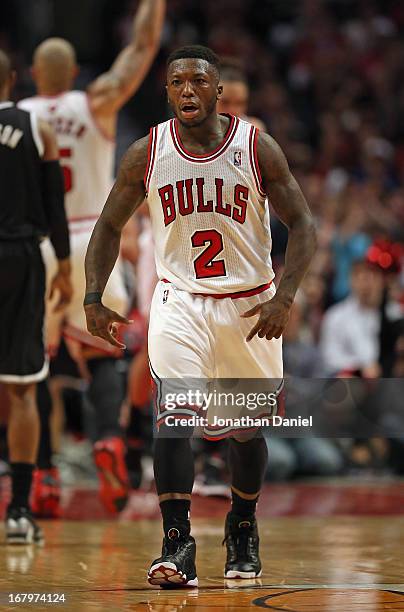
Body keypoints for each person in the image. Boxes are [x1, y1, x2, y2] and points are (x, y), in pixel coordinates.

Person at [84, 45, 316, 586]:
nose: (187, 90)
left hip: (249, 304)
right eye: (177, 82)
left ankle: (241, 525)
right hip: (179, 301)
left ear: (218, 91)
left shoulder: (256, 147)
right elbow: (109, 225)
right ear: (167, 92)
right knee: (174, 419)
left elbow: (303, 223)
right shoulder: (147, 151)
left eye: (198, 81)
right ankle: (177, 543)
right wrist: (95, 296)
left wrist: (284, 297)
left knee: (244, 434)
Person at [19, 0, 166, 515]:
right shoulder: (96, 101)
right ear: (75, 74)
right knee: (104, 355)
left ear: (34, 75)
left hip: (37, 246)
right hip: (92, 239)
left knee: (31, 370)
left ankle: (42, 474)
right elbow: (142, 48)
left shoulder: (13, 118)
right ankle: (107, 439)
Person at [0, 50, 72, 543]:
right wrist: (65, 268)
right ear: (12, 79)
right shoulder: (37, 126)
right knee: (23, 386)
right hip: (22, 258)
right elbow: (54, 208)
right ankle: (19, 511)